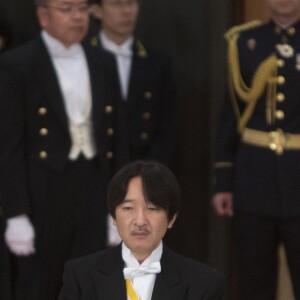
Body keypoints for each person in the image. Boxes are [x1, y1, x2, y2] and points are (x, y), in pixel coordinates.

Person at [0, 0, 125, 298]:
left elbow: (118, 140)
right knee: (39, 286)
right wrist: (16, 214)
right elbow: (9, 147)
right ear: (43, 16)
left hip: (94, 189)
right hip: (42, 193)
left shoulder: (103, 62)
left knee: (94, 284)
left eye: (82, 9)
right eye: (66, 9)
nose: (77, 17)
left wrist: (119, 206)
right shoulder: (18, 64)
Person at [212, 0, 300, 299]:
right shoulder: (246, 41)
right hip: (254, 179)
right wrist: (223, 180)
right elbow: (231, 114)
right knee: (253, 282)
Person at [59, 160, 225, 299]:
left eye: (152, 208)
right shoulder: (80, 275)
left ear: (171, 218)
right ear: (114, 218)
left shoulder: (205, 283)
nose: (140, 221)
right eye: (128, 208)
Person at [87, 0, 176, 166]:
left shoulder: (157, 63)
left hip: (142, 166)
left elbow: (166, 129)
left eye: (131, 3)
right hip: (93, 169)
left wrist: (149, 174)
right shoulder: (82, 59)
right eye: (116, 4)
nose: (126, 11)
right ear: (96, 10)